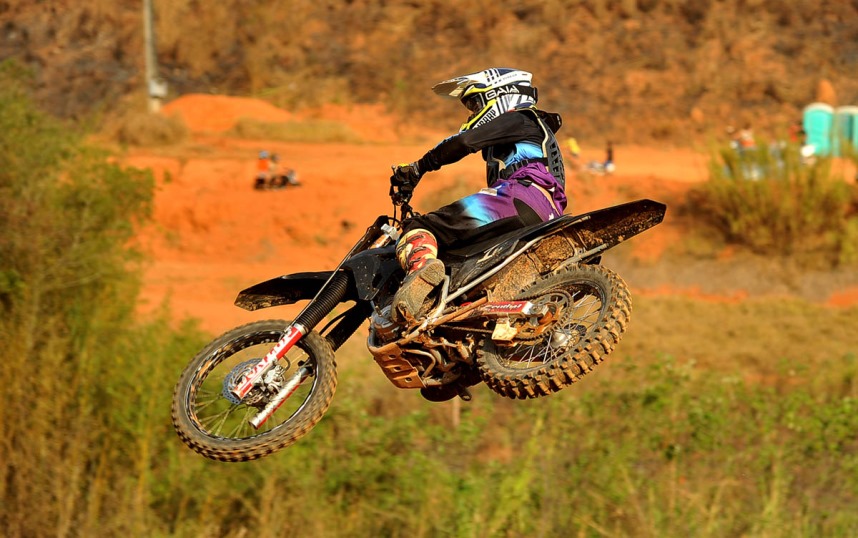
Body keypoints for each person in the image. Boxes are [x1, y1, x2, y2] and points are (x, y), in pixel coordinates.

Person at [389, 68, 567, 323]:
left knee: (423, 226)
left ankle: (421, 271)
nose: (472, 113)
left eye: (475, 104)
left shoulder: (521, 118)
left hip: (520, 197)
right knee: (465, 261)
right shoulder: (533, 133)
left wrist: (418, 167)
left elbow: (463, 142)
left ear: (502, 95)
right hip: (545, 215)